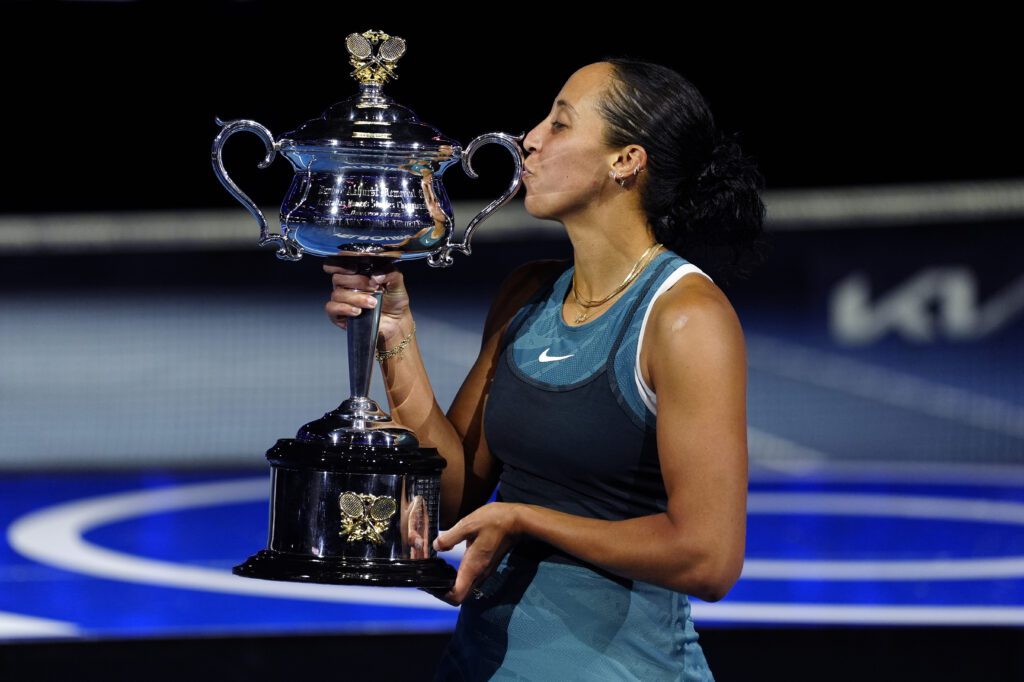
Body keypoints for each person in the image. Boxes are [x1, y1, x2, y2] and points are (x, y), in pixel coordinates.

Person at [324, 57, 766, 681]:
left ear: (626, 161)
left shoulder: (687, 317)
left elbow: (709, 559)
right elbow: (454, 496)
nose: (530, 138)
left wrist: (525, 517)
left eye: (560, 123)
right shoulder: (526, 294)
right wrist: (394, 330)